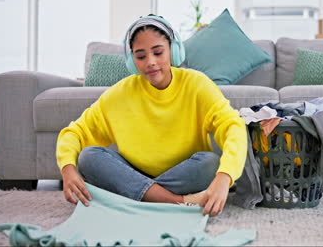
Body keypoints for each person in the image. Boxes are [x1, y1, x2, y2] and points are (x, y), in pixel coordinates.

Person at [56, 14, 247, 216]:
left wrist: (225, 176)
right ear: (131, 61)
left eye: (158, 52)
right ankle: (176, 202)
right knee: (89, 157)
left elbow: (232, 126)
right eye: (140, 56)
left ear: (173, 50)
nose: (151, 62)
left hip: (182, 173)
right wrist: (67, 168)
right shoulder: (120, 93)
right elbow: (75, 132)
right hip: (134, 172)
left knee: (210, 163)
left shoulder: (197, 84)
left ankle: (135, 198)